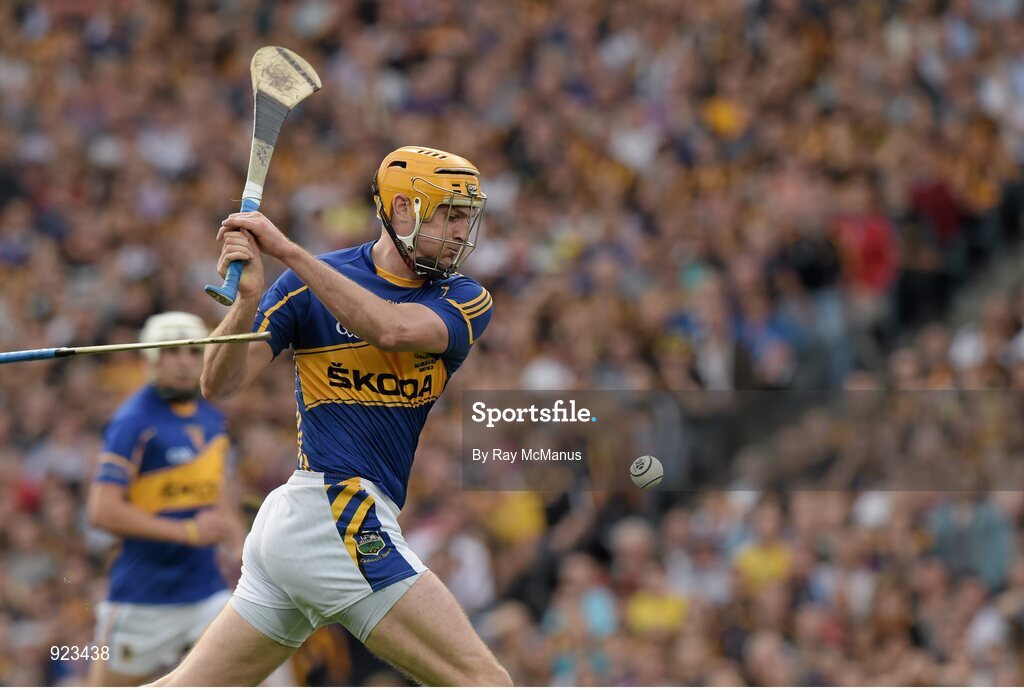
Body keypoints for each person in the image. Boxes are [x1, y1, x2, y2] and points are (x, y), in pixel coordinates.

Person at [152, 146, 510, 686]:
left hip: (313, 522)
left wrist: (290, 254)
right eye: (450, 214)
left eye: (467, 217)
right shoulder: (307, 284)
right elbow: (219, 384)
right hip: (331, 512)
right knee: (485, 682)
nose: (462, 231)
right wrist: (246, 302)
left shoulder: (464, 298)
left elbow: (392, 330)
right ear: (404, 210)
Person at [87, 312, 242, 686]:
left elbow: (218, 491)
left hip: (205, 591)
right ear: (150, 360)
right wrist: (189, 531)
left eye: (192, 351)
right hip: (143, 598)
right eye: (171, 351)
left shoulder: (212, 418)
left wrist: (239, 542)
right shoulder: (133, 421)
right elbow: (102, 511)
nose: (184, 361)